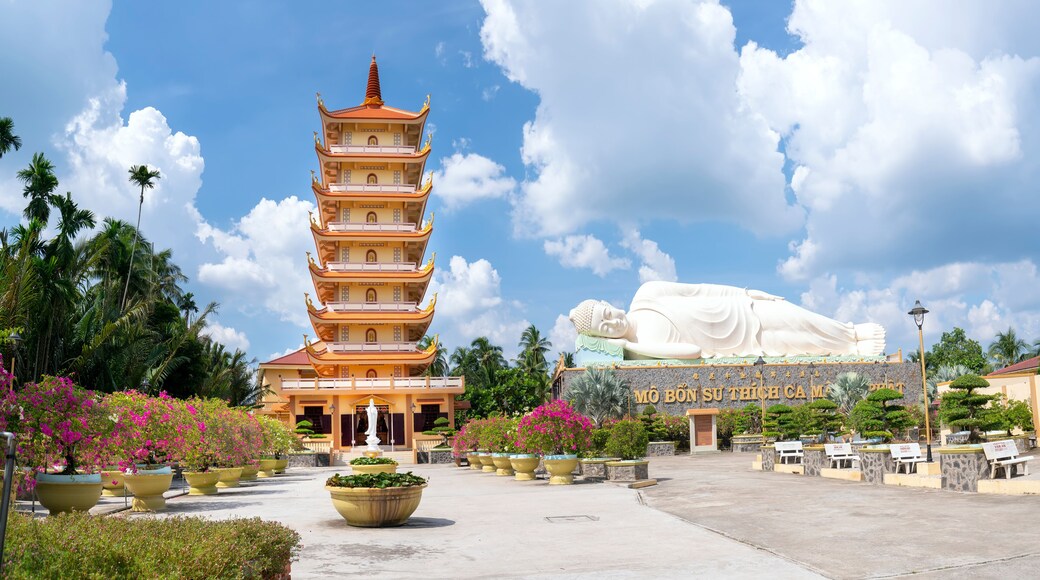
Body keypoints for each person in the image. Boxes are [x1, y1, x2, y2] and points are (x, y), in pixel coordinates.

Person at [568, 281, 885, 359]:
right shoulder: (641, 345)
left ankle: (851, 331)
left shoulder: (646, 293)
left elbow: (700, 290)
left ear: (609, 303)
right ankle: (853, 349)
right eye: (604, 327)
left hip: (737, 310)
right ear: (603, 335)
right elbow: (691, 352)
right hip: (738, 344)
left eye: (607, 313)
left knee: (799, 319)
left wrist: (743, 293)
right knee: (800, 343)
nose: (613, 322)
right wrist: (629, 347)